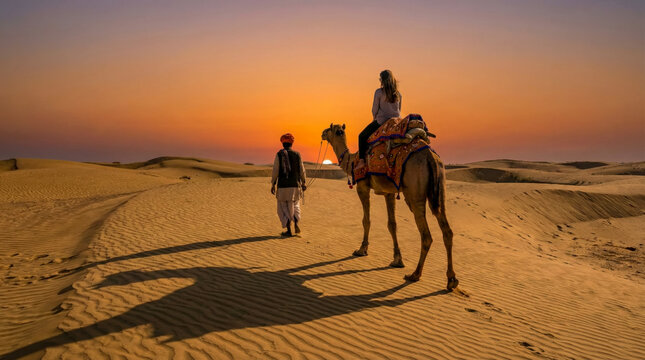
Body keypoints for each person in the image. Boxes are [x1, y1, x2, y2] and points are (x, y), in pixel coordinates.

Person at [356, 69, 402, 169]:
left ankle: (361, 161)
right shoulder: (398, 94)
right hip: (396, 123)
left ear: (382, 80)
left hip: (382, 122)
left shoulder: (379, 92)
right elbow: (399, 110)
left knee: (362, 136)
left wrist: (374, 119)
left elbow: (374, 110)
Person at [271, 133, 307, 237]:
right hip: (295, 186)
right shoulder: (297, 154)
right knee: (295, 205)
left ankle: (288, 230)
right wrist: (303, 182)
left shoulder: (279, 154)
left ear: (283, 143)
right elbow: (302, 170)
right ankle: (296, 223)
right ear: (292, 143)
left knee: (283, 207)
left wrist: (273, 184)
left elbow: (275, 170)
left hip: (282, 186)